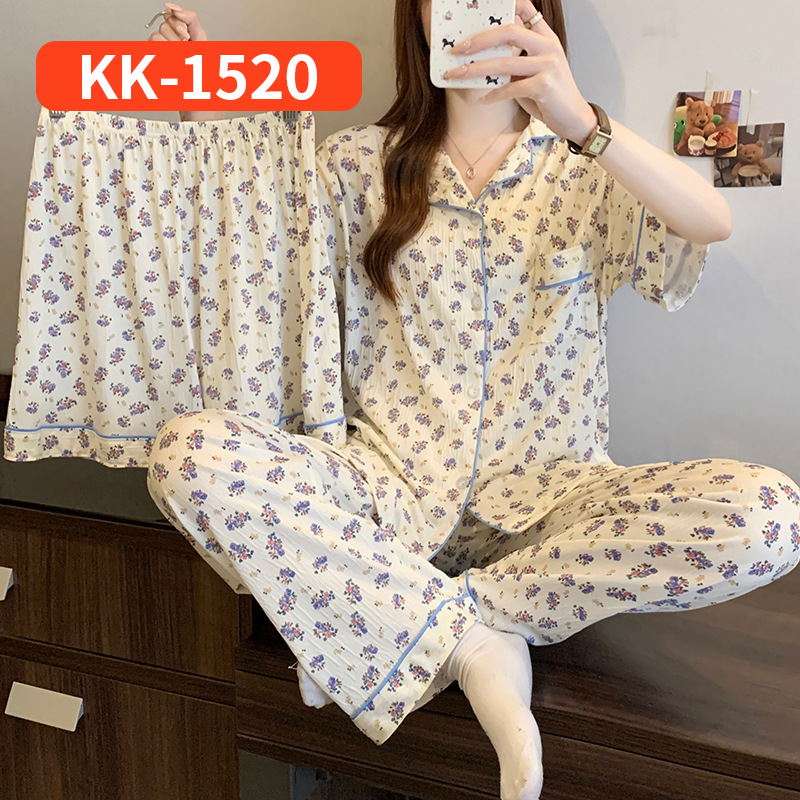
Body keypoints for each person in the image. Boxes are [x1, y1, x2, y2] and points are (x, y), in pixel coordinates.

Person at [146, 3, 800, 799]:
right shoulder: (353, 167)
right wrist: (203, 99)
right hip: (385, 494)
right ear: (419, 16)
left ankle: (439, 620)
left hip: (550, 508)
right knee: (186, 455)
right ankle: (470, 643)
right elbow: (254, 264)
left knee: (769, 516)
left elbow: (711, 221)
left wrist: (579, 118)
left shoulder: (584, 165)